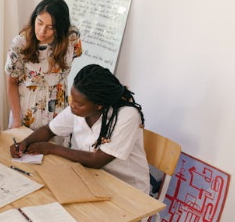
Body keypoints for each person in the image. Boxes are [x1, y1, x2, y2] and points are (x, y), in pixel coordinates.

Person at [11, 64, 150, 195]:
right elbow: (49, 130)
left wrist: (52, 148)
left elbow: (97, 160)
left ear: (99, 105)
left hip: (127, 189)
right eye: (73, 100)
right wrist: (25, 143)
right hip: (90, 177)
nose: (72, 106)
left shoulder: (127, 116)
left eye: (79, 103)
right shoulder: (78, 110)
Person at [5, 0, 82, 131]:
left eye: (50, 27)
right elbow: (11, 82)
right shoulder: (20, 43)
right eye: (39, 22)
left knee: (56, 151)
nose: (42, 31)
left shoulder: (71, 37)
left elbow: (65, 67)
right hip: (28, 110)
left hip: (59, 110)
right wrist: (17, 120)